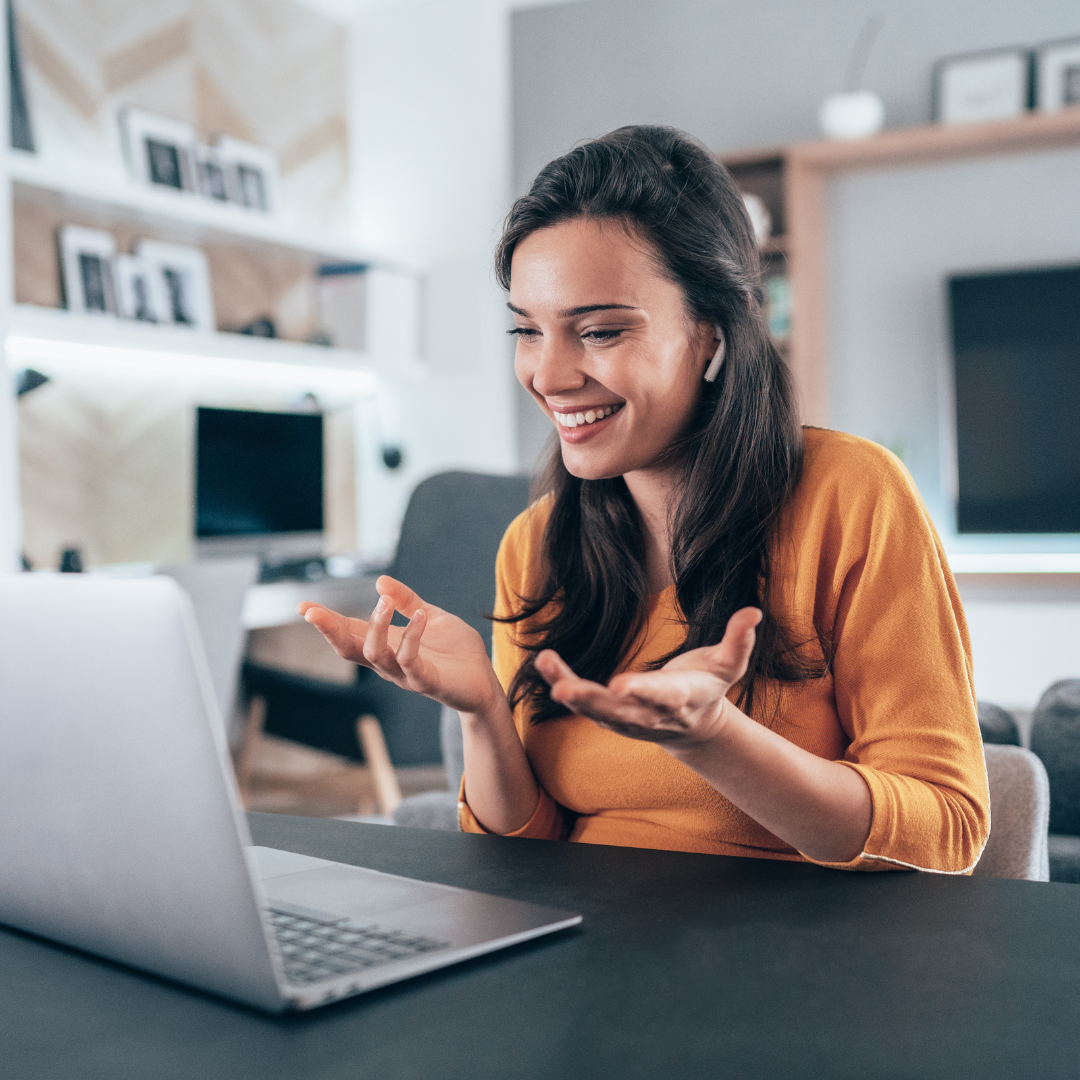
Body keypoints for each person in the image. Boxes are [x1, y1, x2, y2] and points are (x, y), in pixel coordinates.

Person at [301, 126, 989, 872]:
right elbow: (530, 851)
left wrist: (714, 739)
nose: (550, 375)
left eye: (598, 331)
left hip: (796, 963)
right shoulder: (535, 545)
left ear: (714, 334)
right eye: (527, 331)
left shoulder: (851, 496)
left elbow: (946, 830)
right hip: (587, 958)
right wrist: (483, 714)